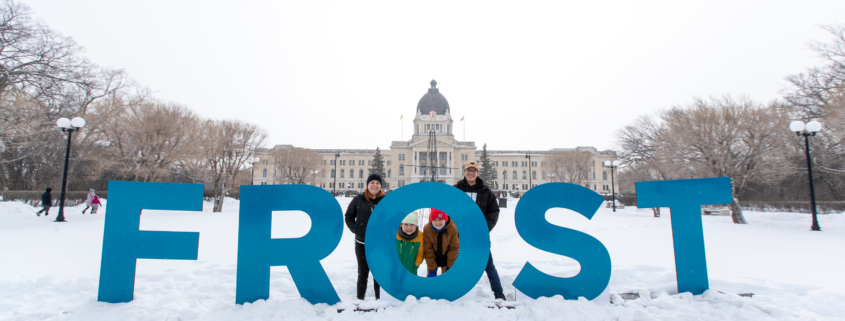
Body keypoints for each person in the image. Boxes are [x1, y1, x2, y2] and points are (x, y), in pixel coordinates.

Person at [454, 161, 506, 300]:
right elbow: (449, 210)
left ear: (477, 173)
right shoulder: (456, 188)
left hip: (479, 235)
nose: (471, 173)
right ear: (464, 171)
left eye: (474, 171)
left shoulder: (485, 191)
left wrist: (484, 228)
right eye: (468, 170)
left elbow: (494, 211)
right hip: (459, 235)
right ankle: (456, 291)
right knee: (457, 263)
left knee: (488, 265)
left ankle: (499, 294)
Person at [344, 173, 385, 300]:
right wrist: (356, 229)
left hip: (379, 243)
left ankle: (379, 298)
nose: (375, 185)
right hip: (362, 242)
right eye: (372, 182)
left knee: (378, 272)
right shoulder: (359, 199)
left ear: (380, 186)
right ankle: (360, 297)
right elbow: (349, 216)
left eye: (377, 183)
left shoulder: (385, 200)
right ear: (367, 185)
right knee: (363, 272)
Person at [423, 208, 459, 277]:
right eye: (434, 219)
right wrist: (432, 269)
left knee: (448, 281)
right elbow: (428, 250)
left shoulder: (453, 228)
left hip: (448, 257)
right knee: (431, 279)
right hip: (433, 257)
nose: (437, 222)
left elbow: (454, 248)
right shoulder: (427, 229)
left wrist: (450, 267)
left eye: (440, 219)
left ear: (445, 219)